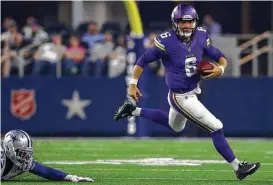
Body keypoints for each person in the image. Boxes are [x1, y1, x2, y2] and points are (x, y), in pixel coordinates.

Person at [113, 4, 260, 180]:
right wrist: (133, 83)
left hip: (191, 91)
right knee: (216, 127)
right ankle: (238, 167)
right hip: (180, 96)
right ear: (175, 23)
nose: (187, 26)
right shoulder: (166, 41)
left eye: (189, 22)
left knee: (175, 125)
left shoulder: (201, 35)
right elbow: (143, 60)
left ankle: (133, 110)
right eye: (182, 22)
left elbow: (219, 55)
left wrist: (221, 68)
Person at [1, 129, 94, 182]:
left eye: (26, 153)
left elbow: (45, 171)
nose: (25, 157)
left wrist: (71, 177)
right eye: (22, 153)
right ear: (10, 149)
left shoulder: (20, 162)